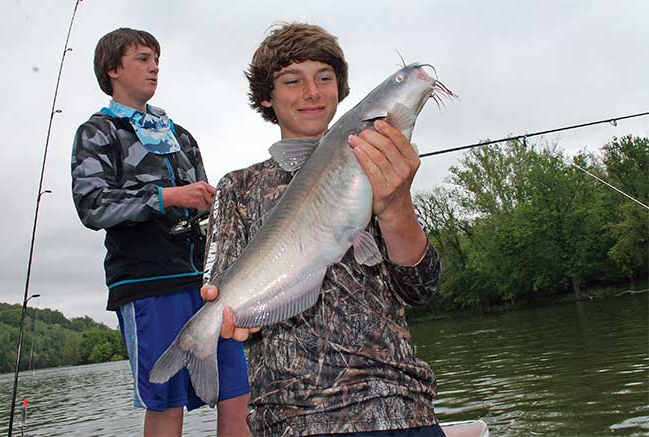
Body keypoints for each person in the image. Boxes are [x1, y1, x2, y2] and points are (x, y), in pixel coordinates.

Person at [201, 23, 445, 436]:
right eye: (293, 81)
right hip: (293, 417)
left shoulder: (378, 161)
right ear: (267, 96)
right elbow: (219, 292)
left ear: (341, 89)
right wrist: (226, 317)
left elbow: (422, 289)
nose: (312, 92)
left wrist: (396, 202)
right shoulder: (238, 188)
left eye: (324, 78)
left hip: (400, 405)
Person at [70, 28, 250, 437]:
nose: (154, 67)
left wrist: (213, 201)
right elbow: (92, 205)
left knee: (237, 392)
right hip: (147, 283)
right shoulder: (97, 133)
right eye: (142, 58)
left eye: (157, 60)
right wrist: (169, 197)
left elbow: (204, 204)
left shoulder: (180, 135)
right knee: (166, 402)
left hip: (207, 285)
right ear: (113, 69)